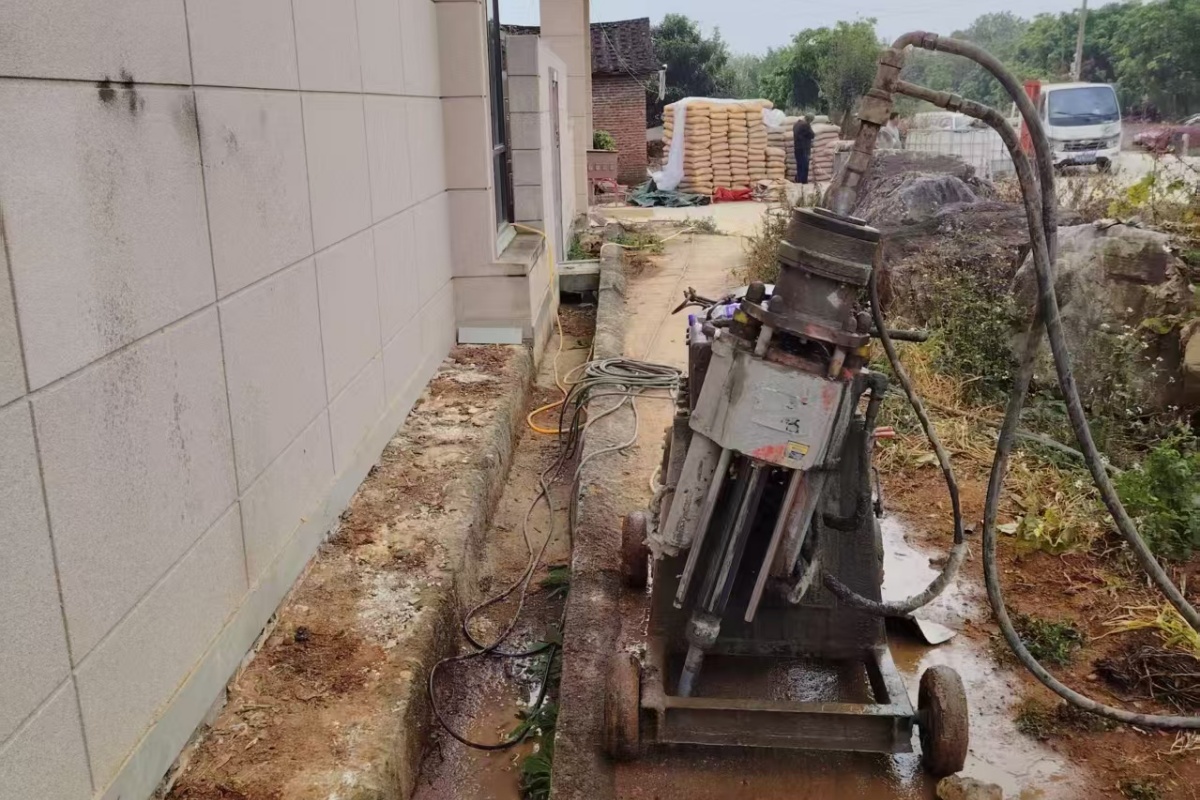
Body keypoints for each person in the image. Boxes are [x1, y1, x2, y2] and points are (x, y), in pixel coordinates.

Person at [793, 114, 815, 184]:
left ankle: (798, 179)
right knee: (804, 166)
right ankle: (803, 181)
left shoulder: (796, 124)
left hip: (797, 148)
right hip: (804, 148)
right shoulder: (806, 125)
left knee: (799, 165)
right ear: (809, 120)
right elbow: (812, 135)